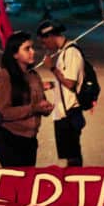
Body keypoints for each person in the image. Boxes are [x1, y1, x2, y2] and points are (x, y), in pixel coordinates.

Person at [0, 30, 54, 167]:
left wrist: (45, 108)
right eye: (27, 49)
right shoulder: (5, 77)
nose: (32, 52)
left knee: (28, 183)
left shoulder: (34, 75)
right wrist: (34, 108)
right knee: (15, 184)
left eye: (32, 47)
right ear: (15, 54)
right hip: (10, 139)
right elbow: (4, 111)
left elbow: (40, 102)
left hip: (30, 139)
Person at [37, 20, 85, 167]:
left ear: (50, 36)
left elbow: (70, 83)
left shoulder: (71, 53)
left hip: (70, 113)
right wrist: (52, 85)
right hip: (63, 113)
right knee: (69, 155)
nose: (45, 46)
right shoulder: (64, 52)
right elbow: (65, 80)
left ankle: (76, 185)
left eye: (44, 42)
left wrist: (52, 68)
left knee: (73, 157)